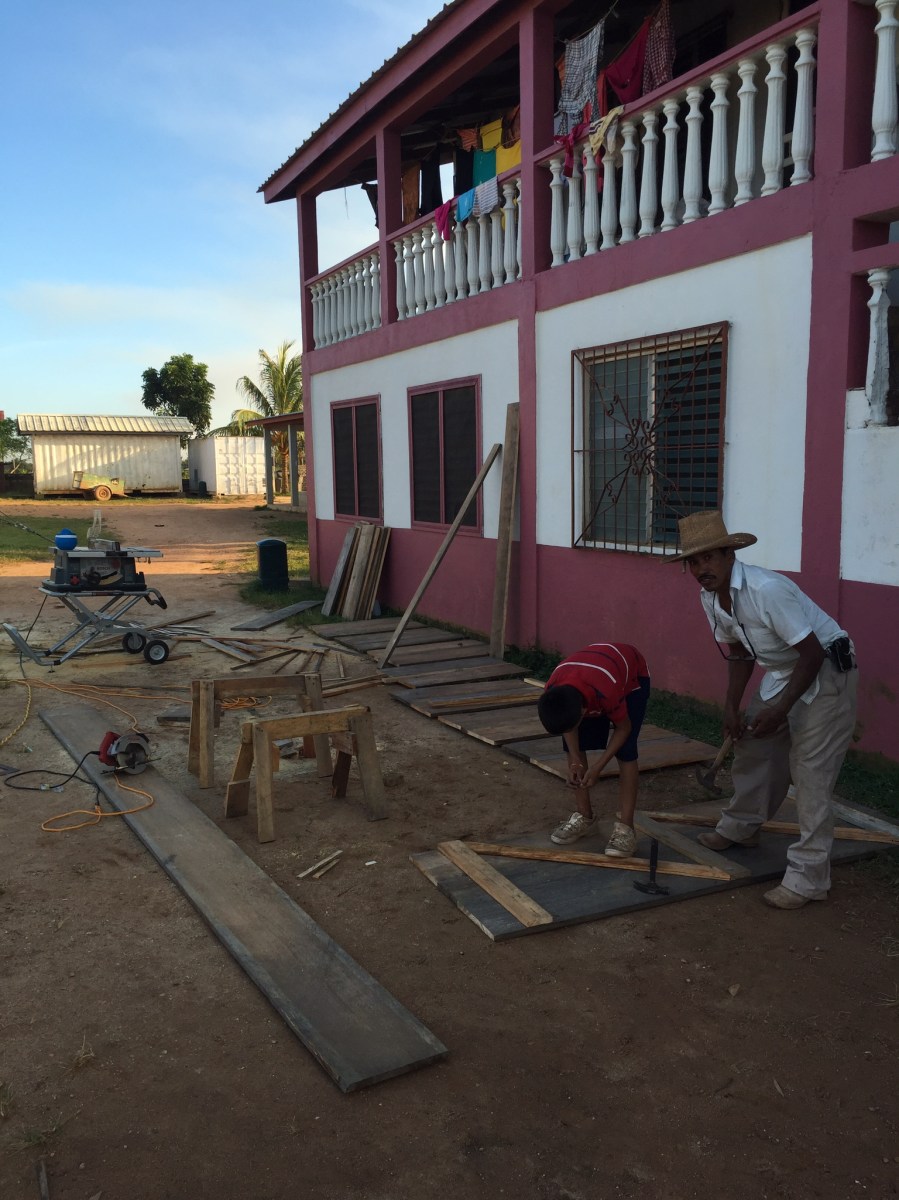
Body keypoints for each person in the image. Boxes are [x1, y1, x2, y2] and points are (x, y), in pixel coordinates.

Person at [669, 510, 858, 910]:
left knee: (810, 770)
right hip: (784, 671)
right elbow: (739, 653)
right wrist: (731, 707)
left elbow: (811, 653)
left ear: (729, 555)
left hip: (826, 669)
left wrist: (782, 708)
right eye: (693, 562)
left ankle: (809, 878)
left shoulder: (766, 589)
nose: (701, 569)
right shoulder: (710, 598)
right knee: (754, 745)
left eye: (709, 558)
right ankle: (742, 827)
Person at [537, 643, 651, 855]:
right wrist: (575, 761)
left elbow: (624, 728)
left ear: (584, 711)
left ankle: (626, 829)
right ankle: (585, 817)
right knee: (574, 745)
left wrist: (598, 767)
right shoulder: (554, 690)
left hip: (631, 677)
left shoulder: (605, 690)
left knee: (626, 750)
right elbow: (569, 729)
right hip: (590, 677)